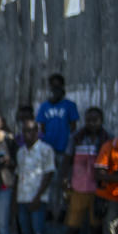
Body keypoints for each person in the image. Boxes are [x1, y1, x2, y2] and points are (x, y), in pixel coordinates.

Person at [55, 107, 109, 234]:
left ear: (101, 121)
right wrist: (64, 178)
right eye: (89, 119)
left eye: (95, 120)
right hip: (78, 189)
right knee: (72, 230)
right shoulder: (77, 137)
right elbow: (67, 159)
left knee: (95, 232)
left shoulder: (106, 139)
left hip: (98, 192)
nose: (91, 123)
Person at [14, 118, 55, 234]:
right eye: (25, 131)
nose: (27, 134)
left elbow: (49, 173)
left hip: (38, 199)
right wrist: (14, 202)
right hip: (22, 198)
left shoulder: (46, 150)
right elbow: (18, 176)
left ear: (37, 132)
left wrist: (38, 197)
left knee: (39, 232)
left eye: (31, 130)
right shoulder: (20, 152)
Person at [36, 73, 80, 223]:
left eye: (58, 86)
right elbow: (41, 128)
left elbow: (73, 128)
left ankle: (62, 209)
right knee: (49, 180)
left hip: (64, 150)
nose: (55, 89)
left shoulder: (69, 105)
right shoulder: (44, 106)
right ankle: (49, 208)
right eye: (52, 86)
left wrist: (70, 149)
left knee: (63, 180)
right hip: (49, 151)